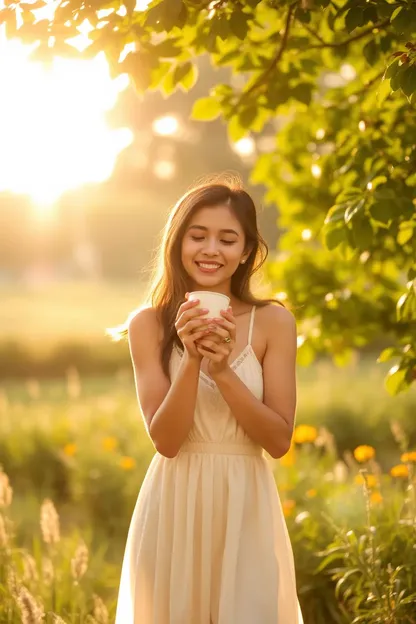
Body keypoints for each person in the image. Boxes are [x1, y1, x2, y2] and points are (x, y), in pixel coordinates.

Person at [110, 178, 304, 623]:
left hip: (246, 504)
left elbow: (278, 440)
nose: (211, 249)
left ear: (246, 249)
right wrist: (193, 358)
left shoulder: (273, 322)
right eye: (198, 235)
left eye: (227, 238)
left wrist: (223, 372)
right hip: (173, 504)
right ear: (178, 242)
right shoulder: (147, 325)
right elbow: (167, 441)